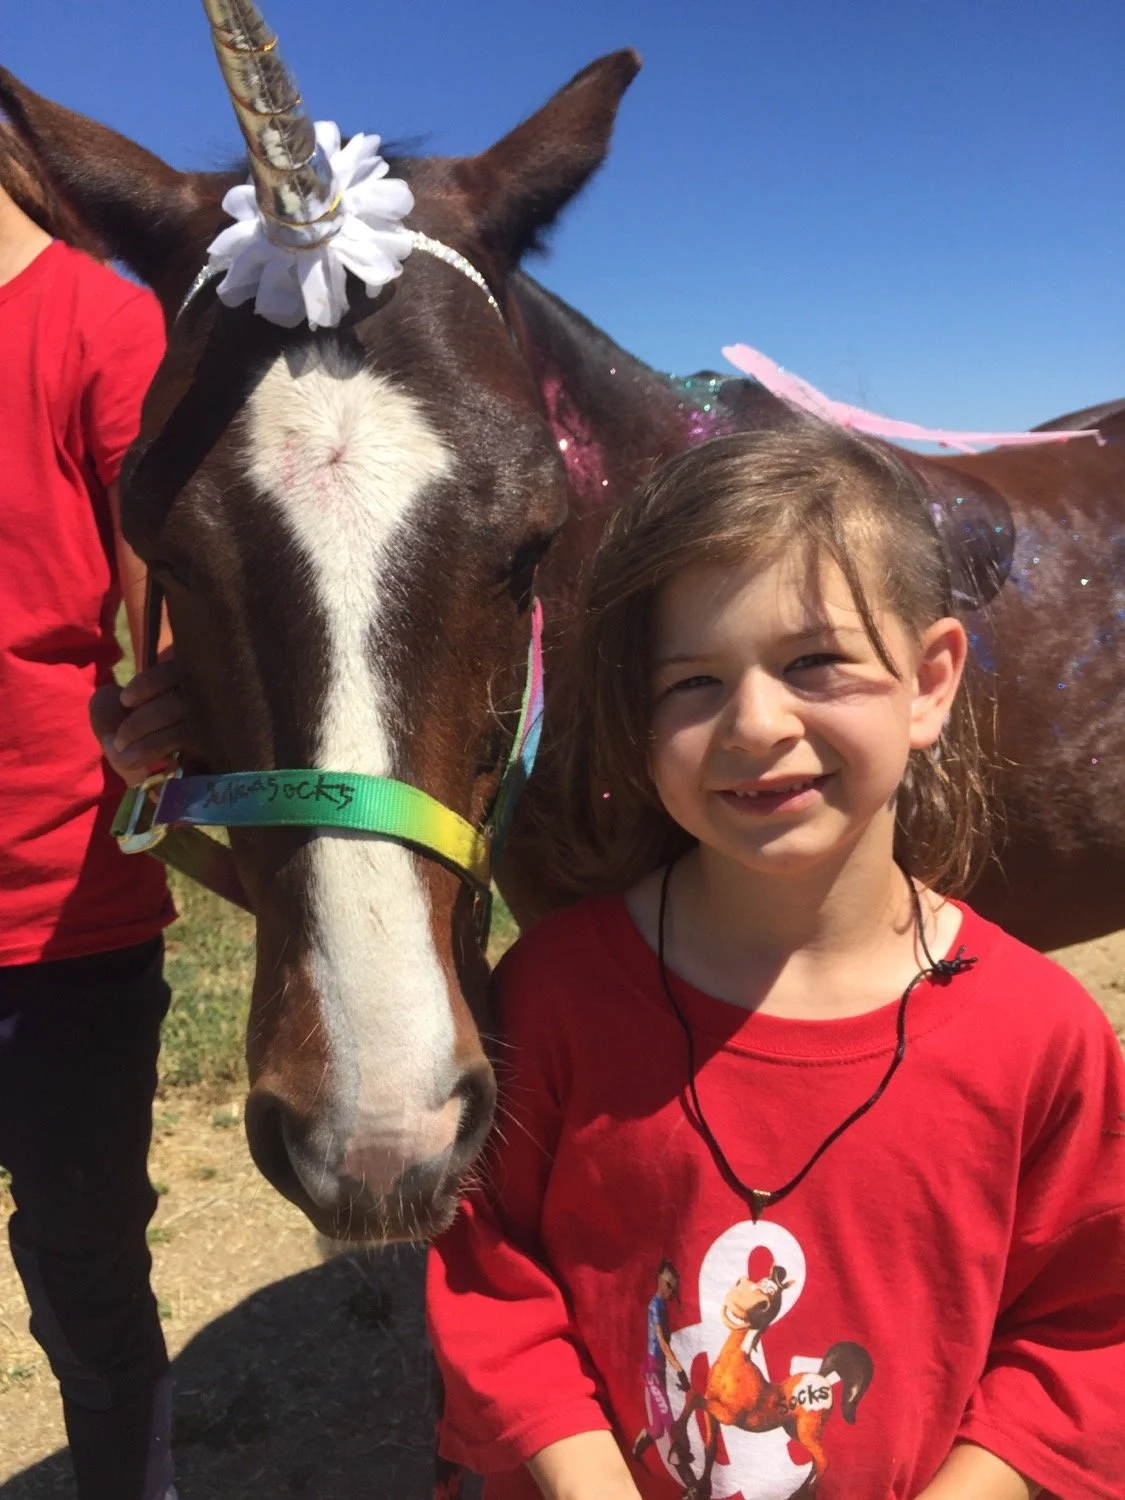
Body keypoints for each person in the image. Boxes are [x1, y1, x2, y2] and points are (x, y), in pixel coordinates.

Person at [427, 425, 1125, 1500]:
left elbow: (1084, 1332)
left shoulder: (1041, 1037)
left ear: (931, 681)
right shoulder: (557, 998)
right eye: (692, 683)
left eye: (813, 663)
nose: (755, 722)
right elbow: (492, 1275)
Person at [0, 122, 187, 1500]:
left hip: (50, 922)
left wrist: (170, 711)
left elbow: (163, 619)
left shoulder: (93, 322)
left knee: (81, 1269)